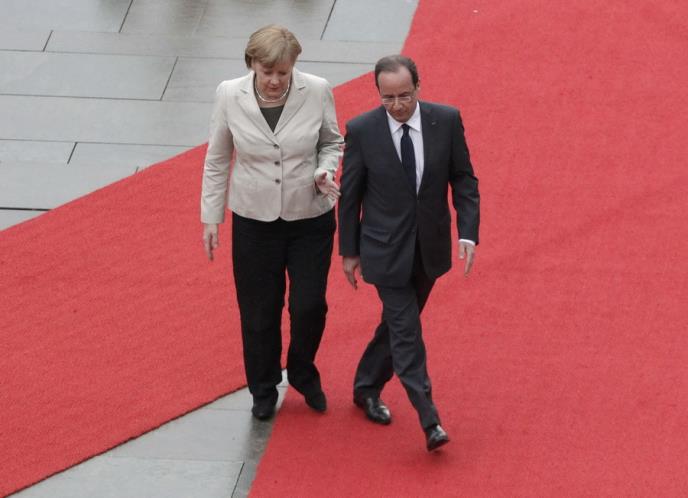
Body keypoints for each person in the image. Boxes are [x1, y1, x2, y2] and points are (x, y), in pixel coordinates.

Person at [338, 55, 480, 451]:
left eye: (404, 95)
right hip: (383, 251)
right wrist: (348, 250)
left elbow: (463, 180)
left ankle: (366, 385)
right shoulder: (362, 130)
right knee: (406, 331)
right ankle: (429, 418)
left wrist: (468, 233)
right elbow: (350, 195)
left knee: (397, 324)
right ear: (377, 93)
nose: (397, 105)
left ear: (418, 86)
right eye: (388, 98)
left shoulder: (445, 120)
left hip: (428, 249)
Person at [201, 25, 343, 421]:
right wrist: (211, 217)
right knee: (259, 312)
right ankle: (262, 388)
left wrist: (325, 170)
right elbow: (217, 159)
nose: (276, 80)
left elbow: (331, 141)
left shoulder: (317, 89)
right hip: (254, 221)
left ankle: (301, 371)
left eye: (283, 71)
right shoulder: (229, 94)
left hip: (309, 215)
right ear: (252, 64)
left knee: (309, 305)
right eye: (268, 72)